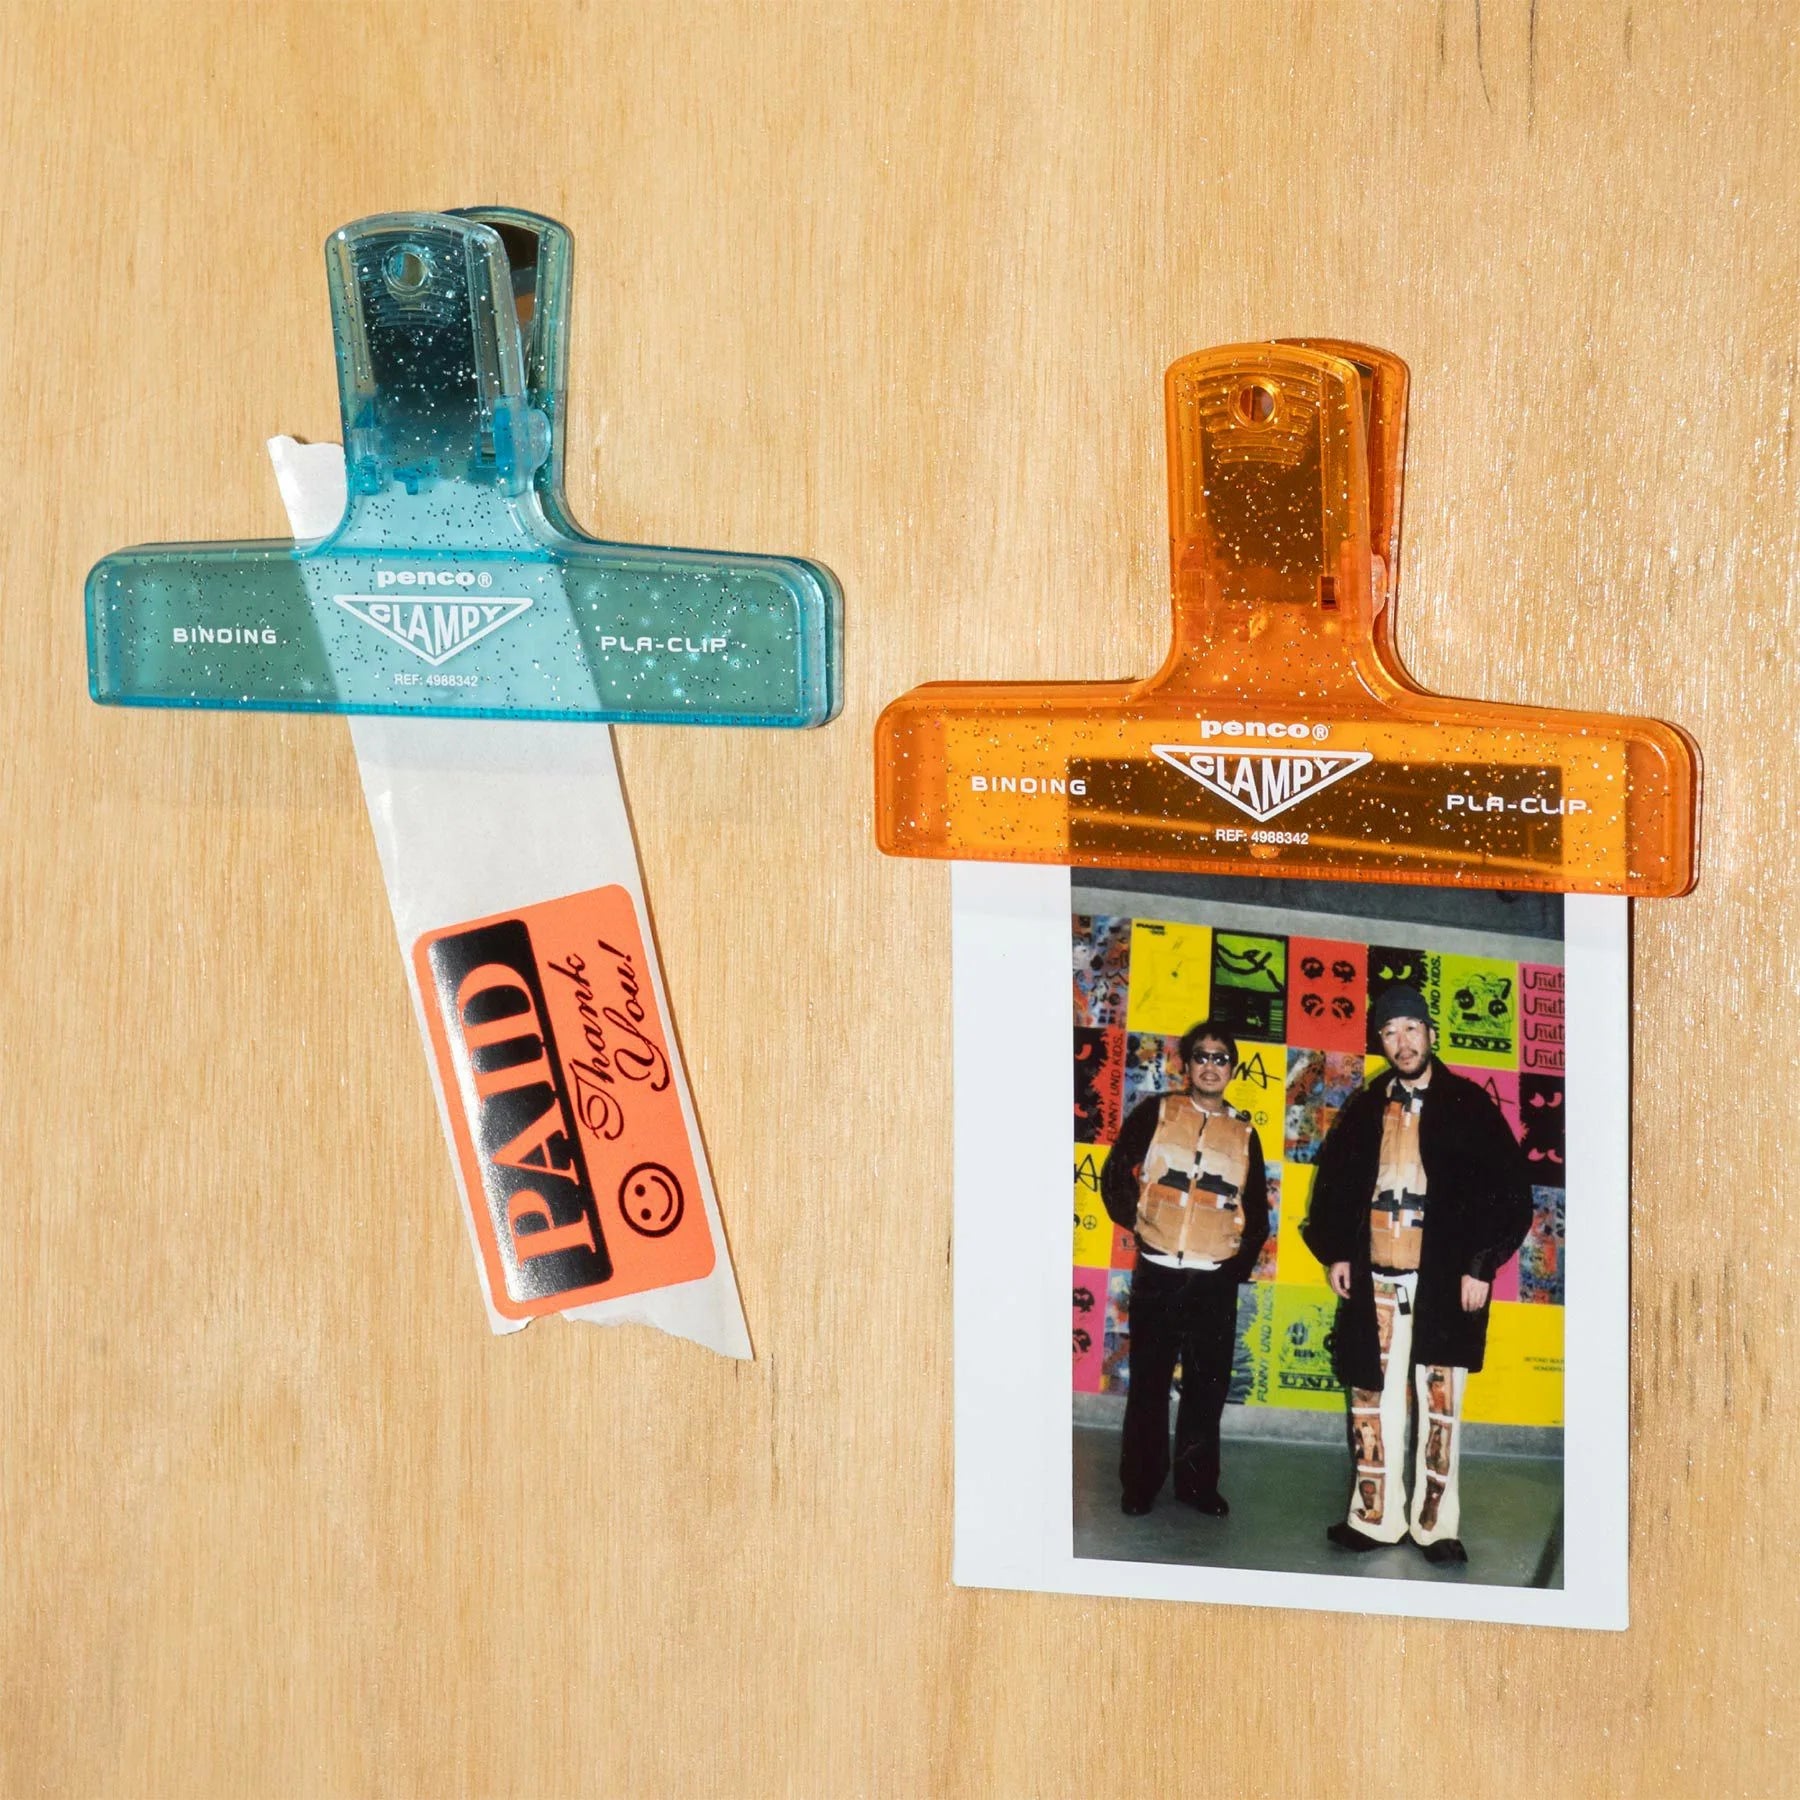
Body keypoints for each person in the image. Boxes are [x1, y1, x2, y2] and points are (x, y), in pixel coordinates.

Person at [1301, 984, 1532, 1565]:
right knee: (1371, 1402)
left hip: (1444, 1286)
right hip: (1376, 1282)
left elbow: (1510, 1193)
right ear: (1380, 1042)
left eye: (1410, 1029)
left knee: (1441, 1410)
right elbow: (1332, 1188)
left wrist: (1481, 1265)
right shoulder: (1366, 1108)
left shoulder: (1469, 1106)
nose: (1401, 1042)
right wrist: (1337, 1253)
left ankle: (1435, 1528)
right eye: (1389, 1032)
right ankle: (1375, 1519)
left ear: (1430, 1032)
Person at [1101, 1019, 1270, 1517]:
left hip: (1213, 1279)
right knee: (1149, 1384)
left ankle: (1197, 1486)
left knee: (1206, 1387)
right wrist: (1140, 1222)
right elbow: (1115, 1173)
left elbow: (1257, 1213)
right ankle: (1140, 1484)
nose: (1211, 1066)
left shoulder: (1244, 1133)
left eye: (1221, 1058)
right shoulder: (1157, 1113)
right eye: (1202, 1056)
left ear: (1232, 1069)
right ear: (1187, 1064)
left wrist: (1233, 1268)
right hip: (1159, 1273)